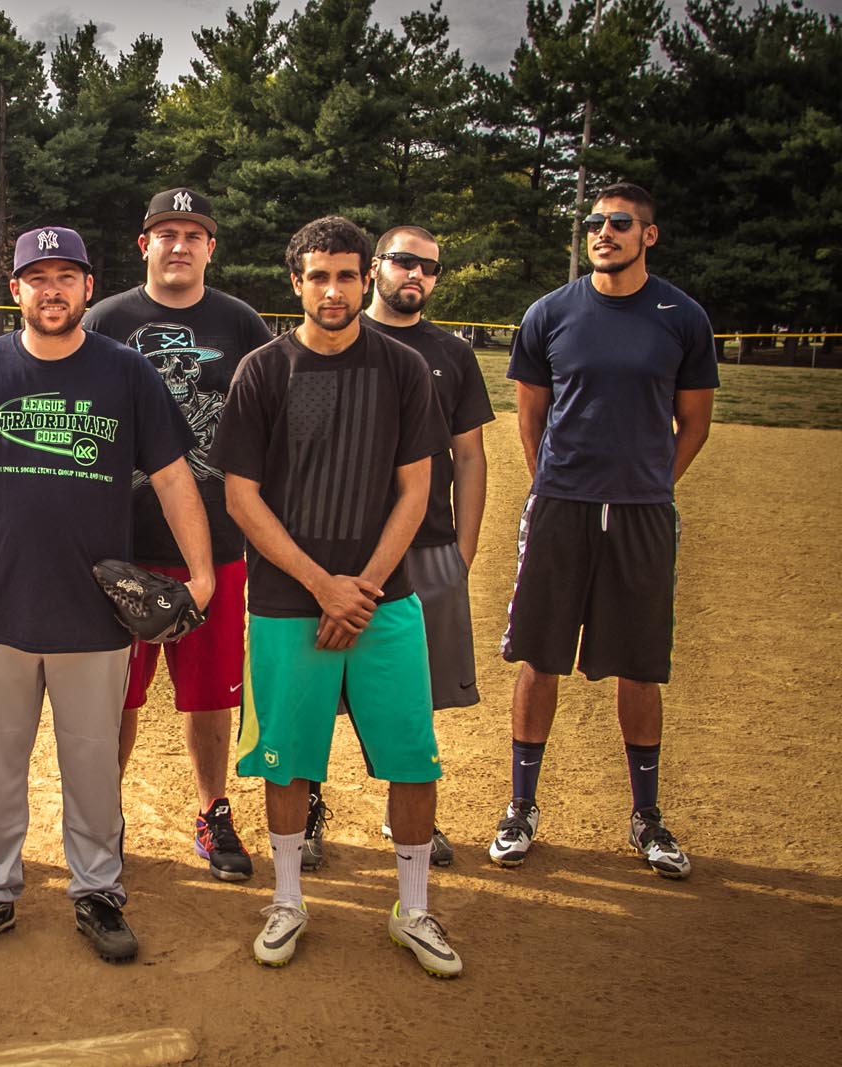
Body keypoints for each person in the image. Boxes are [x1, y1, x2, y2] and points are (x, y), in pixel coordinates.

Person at [0, 226, 213, 964]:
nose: (51, 290)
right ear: (15, 290)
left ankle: (98, 889)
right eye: (37, 277)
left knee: (91, 763)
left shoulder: (126, 371)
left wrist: (202, 572)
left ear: (88, 287)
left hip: (95, 608)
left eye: (65, 276)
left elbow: (173, 475)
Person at [211, 216, 461, 977]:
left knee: (413, 759)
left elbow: (417, 491)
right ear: (296, 283)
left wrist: (362, 591)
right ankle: (288, 900)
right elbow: (242, 498)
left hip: (384, 600)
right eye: (318, 276)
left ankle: (412, 908)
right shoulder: (263, 369)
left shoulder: (403, 368)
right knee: (286, 760)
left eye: (346, 275)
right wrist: (324, 587)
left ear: (365, 279)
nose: (333, 290)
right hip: (289, 601)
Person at [492, 181, 717, 879]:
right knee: (541, 654)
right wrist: (552, 483)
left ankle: (646, 816)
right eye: (595, 220)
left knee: (640, 662)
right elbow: (530, 415)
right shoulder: (551, 312)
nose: (603, 231)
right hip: (561, 505)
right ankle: (521, 806)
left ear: (648, 234)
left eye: (619, 222)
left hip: (643, 511)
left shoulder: (682, 316)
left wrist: (651, 483)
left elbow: (695, 422)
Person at [82, 187, 273, 884]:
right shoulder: (106, 320)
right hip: (121, 545)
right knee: (115, 694)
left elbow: (267, 421)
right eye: (167, 232)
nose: (180, 245)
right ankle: (102, 814)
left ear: (210, 248)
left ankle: (212, 808)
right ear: (145, 244)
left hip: (215, 545)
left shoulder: (240, 322)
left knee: (211, 693)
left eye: (194, 234)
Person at [299, 225, 493, 872]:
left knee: (410, 697)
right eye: (405, 261)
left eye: (430, 267)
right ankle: (308, 807)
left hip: (426, 546)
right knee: (317, 691)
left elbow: (469, 455)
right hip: (333, 548)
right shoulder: (330, 339)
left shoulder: (450, 354)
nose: (416, 275)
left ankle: (406, 812)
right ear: (375, 268)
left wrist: (462, 552)